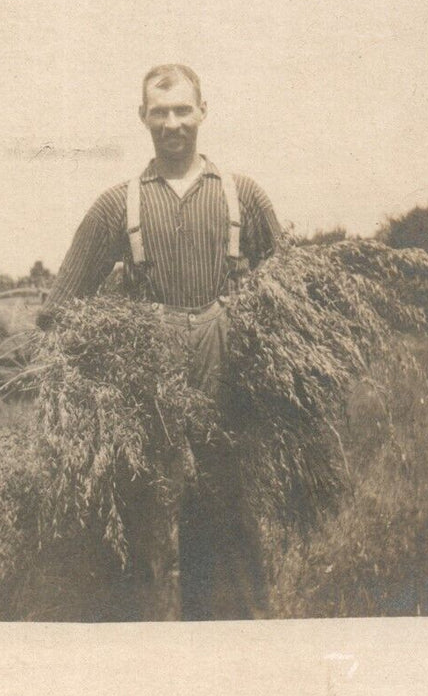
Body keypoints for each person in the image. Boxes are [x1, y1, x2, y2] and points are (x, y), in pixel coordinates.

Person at [48, 64, 281, 621]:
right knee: (139, 533)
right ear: (142, 117)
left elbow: (289, 289)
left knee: (225, 530)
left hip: (226, 391)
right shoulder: (117, 205)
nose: (172, 123)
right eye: (160, 112)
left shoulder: (243, 197)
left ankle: (231, 649)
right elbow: (60, 307)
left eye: (182, 110)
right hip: (145, 394)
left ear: (203, 111)